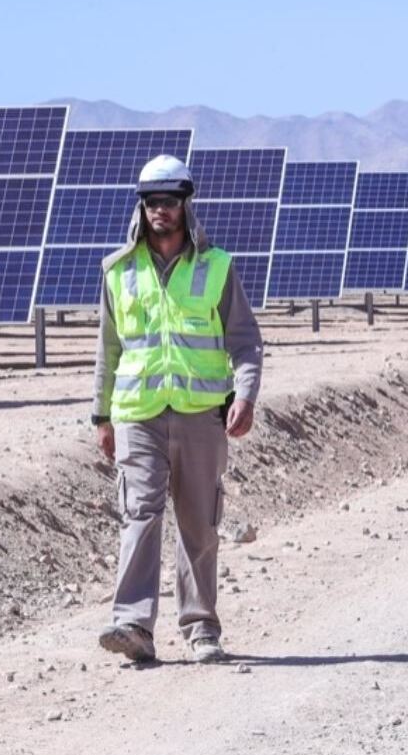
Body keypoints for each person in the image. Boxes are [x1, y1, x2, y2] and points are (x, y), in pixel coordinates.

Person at [91, 154, 263, 664]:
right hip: (138, 415)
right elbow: (108, 350)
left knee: (198, 523)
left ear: (186, 204)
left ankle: (201, 628)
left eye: (168, 201)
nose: (159, 210)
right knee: (139, 514)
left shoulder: (217, 267)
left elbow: (246, 342)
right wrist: (101, 416)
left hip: (201, 415)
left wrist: (247, 395)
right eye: (150, 202)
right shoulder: (118, 271)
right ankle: (133, 625)